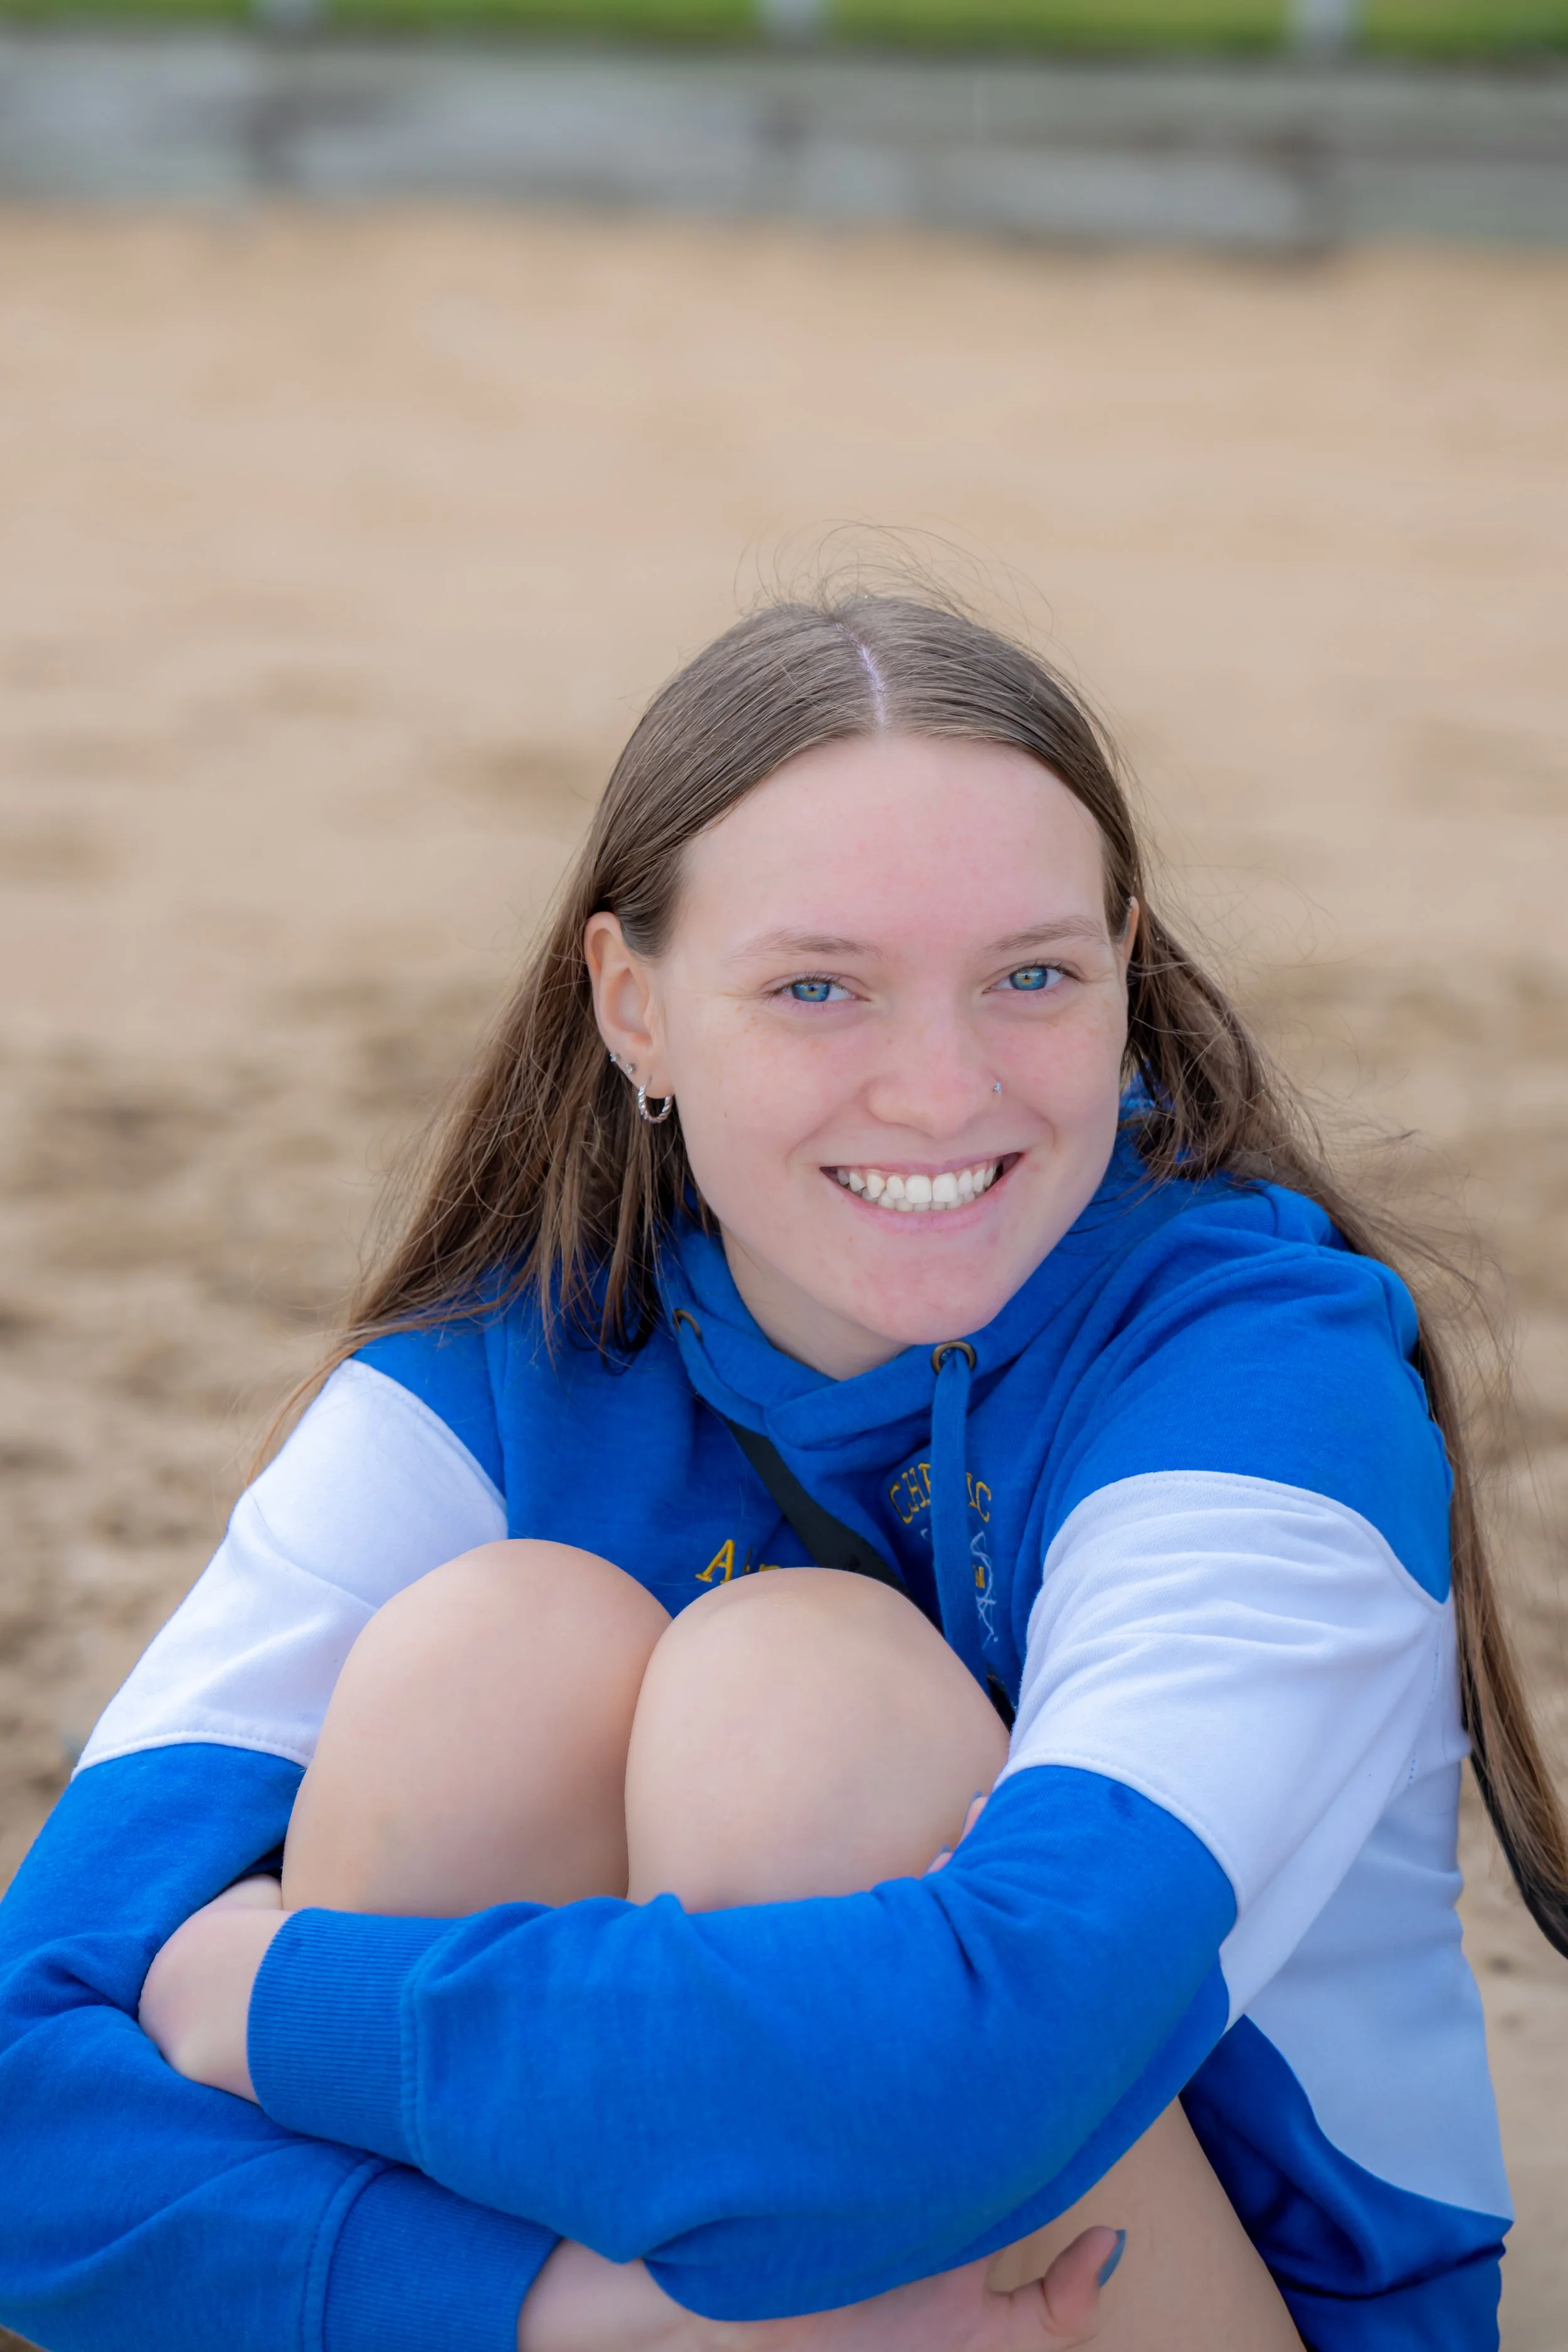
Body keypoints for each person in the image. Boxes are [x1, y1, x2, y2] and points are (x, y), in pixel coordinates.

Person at [0, 591, 1559, 2352]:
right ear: (633, 1008)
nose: (938, 1087)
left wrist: (267, 1992)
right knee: (485, 1663)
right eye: (818, 986)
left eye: (1032, 975)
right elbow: (20, 2100)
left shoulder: (1259, 1377)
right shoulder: (492, 1378)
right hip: (692, 2306)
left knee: (792, 1702)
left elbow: (996, 2048)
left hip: (1154, 2302)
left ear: (1126, 962)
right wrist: (568, 2311)